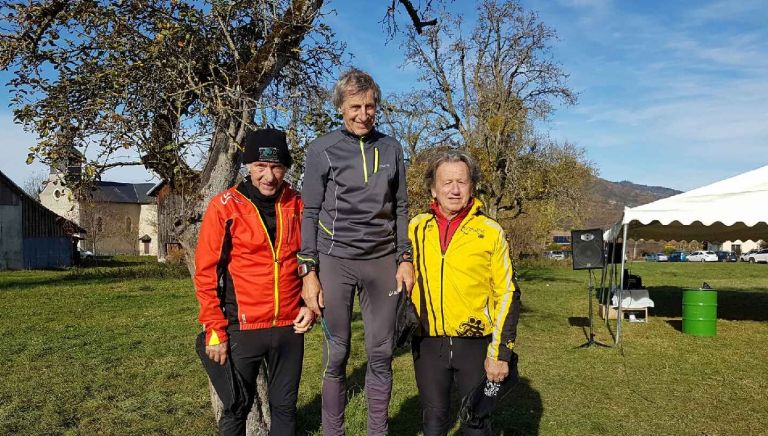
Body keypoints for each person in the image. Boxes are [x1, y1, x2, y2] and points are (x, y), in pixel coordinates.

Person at [298, 68, 414, 435]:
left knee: (381, 354)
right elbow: (311, 212)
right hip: (336, 262)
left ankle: (377, 431)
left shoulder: (392, 148)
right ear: (341, 108)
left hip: (381, 263)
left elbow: (401, 208)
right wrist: (309, 271)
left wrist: (405, 258)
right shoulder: (322, 149)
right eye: (354, 107)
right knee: (337, 355)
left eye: (370, 106)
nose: (363, 114)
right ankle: (334, 431)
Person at [194, 128, 314, 436]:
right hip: (242, 326)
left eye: (276, 167)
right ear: (248, 166)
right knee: (236, 409)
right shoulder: (225, 207)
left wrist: (310, 306)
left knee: (285, 408)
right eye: (260, 166)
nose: (269, 176)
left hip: (290, 326)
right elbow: (207, 272)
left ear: (286, 167)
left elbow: (312, 259)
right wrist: (214, 329)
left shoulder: (299, 205)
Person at [408, 150, 521, 435]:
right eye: (447, 182)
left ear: (472, 186)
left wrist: (500, 352)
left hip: (475, 343)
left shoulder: (491, 231)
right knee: (433, 422)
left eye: (462, 181)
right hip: (427, 341)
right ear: (433, 188)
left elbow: (507, 292)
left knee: (475, 423)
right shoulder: (415, 228)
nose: (455, 190)